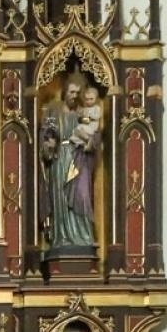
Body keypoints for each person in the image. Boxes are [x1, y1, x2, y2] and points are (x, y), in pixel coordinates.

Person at [40, 75, 98, 250]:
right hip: (60, 158)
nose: (74, 95)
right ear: (65, 92)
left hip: (79, 159)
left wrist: (89, 143)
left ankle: (84, 237)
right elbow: (46, 132)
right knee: (61, 199)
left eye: (77, 93)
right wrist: (48, 144)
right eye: (71, 92)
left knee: (82, 197)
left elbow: (94, 131)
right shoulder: (54, 110)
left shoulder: (83, 113)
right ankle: (62, 237)